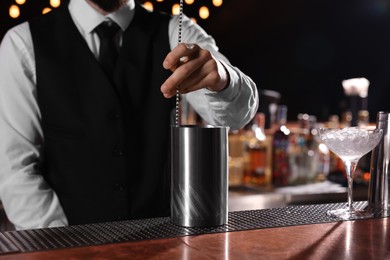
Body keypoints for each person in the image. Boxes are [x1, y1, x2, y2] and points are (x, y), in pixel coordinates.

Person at [0, 0, 258, 230]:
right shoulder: (23, 43)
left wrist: (226, 79)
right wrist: (65, 244)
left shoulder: (177, 31)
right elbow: (15, 171)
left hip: (164, 241)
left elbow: (234, 118)